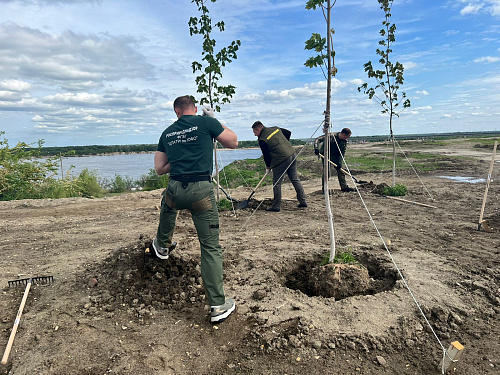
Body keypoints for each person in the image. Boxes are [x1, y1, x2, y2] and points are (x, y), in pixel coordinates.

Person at [153, 95, 238, 323]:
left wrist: (180, 156)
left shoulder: (167, 132)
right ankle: (218, 305)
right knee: (210, 247)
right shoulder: (206, 123)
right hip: (200, 192)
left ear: (176, 111)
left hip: (175, 189)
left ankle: (161, 245)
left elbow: (160, 169)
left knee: (168, 203)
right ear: (196, 108)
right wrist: (214, 120)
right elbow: (233, 142)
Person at [251, 121, 307, 212]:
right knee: (295, 179)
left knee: (276, 183)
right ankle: (303, 201)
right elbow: (288, 133)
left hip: (281, 159)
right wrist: (284, 146)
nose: (255, 135)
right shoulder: (275, 128)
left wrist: (268, 167)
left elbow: (266, 155)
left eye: (255, 132)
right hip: (292, 154)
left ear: (259, 129)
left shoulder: (262, 139)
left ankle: (276, 206)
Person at [314, 128, 354, 192]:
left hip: (335, 156)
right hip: (325, 155)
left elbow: (342, 153)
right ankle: (325, 189)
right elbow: (317, 139)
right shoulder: (331, 136)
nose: (347, 138)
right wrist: (316, 148)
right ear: (344, 134)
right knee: (327, 171)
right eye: (347, 137)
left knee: (341, 171)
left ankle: (344, 187)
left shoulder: (344, 141)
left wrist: (339, 163)